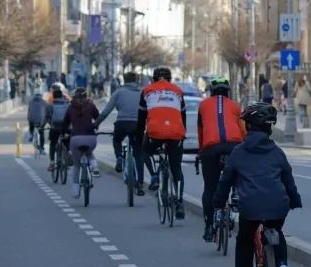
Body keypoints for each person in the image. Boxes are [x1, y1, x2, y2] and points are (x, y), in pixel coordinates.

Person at [212, 102, 302, 267]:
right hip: (278, 205)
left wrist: (218, 203)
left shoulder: (239, 152)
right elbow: (288, 180)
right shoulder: (277, 152)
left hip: (250, 206)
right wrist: (295, 201)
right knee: (276, 232)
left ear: (249, 126)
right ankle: (282, 265)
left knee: (244, 239)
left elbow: (225, 181)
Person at [198, 77, 246, 242]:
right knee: (237, 175)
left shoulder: (203, 105)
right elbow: (243, 131)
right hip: (234, 146)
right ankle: (236, 194)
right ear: (228, 91)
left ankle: (209, 226)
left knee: (210, 188)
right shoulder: (235, 106)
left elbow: (201, 130)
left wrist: (201, 150)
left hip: (211, 147)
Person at [137, 66, 187, 219]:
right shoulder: (178, 91)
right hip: (176, 133)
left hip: (155, 133)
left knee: (145, 150)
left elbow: (141, 119)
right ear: (170, 79)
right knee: (176, 168)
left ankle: (154, 177)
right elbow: (183, 116)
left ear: (153, 78)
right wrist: (181, 134)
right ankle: (179, 202)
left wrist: (139, 139)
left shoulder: (147, 91)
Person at [94, 72, 145, 196]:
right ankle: (140, 185)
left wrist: (96, 124)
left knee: (117, 139)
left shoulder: (118, 93)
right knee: (138, 155)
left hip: (122, 123)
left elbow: (106, 111)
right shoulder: (142, 93)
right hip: (137, 125)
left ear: (124, 80)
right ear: (136, 80)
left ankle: (119, 158)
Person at [61, 88, 102, 198]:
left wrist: (66, 132)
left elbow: (64, 124)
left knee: (77, 165)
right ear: (86, 95)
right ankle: (94, 167)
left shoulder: (70, 107)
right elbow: (98, 118)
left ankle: (75, 191)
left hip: (75, 138)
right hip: (91, 138)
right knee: (89, 152)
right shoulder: (91, 105)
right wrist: (94, 126)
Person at [45, 89, 72, 171]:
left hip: (54, 128)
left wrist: (41, 126)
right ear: (61, 96)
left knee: (53, 144)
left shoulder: (50, 105)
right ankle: (70, 153)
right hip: (66, 128)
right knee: (67, 142)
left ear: (53, 96)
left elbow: (46, 117)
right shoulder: (68, 105)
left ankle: (52, 163)